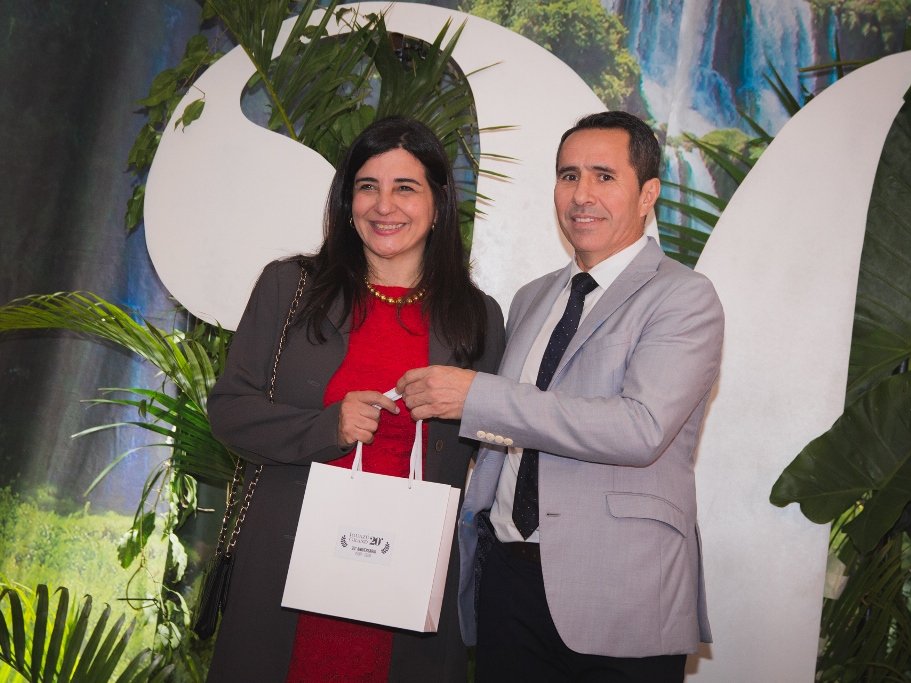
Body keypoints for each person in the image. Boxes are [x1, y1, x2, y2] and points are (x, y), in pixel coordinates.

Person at [398, 111, 724, 682]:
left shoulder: (683, 296)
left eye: (604, 176)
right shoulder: (531, 298)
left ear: (648, 194)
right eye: (568, 175)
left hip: (621, 591)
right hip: (507, 582)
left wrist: (478, 395)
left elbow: (640, 429)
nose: (581, 195)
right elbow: (505, 436)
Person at [205, 116, 505, 682]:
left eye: (405, 187)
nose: (383, 205)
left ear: (438, 203)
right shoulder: (290, 287)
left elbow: (490, 448)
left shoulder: (478, 317)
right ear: (348, 202)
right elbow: (228, 410)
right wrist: (328, 427)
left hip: (409, 579)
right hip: (287, 568)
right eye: (368, 186)